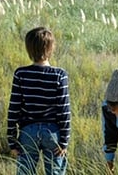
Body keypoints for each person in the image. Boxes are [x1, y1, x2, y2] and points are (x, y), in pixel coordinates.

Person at [7, 26, 71, 175]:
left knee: (25, 172)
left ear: (29, 49)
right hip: (53, 132)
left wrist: (12, 140)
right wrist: (64, 142)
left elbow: (14, 109)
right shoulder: (60, 75)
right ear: (51, 48)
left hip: (28, 132)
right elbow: (64, 111)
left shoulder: (21, 74)